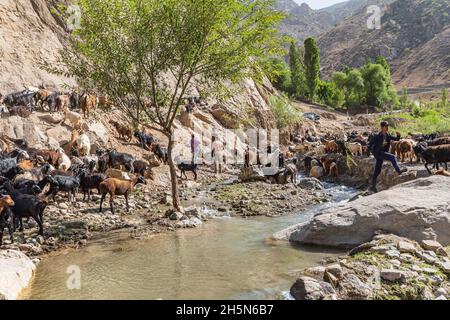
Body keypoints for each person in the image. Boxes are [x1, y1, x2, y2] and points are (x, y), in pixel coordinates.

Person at [369, 121, 408, 192]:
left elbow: (396, 139)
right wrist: (372, 151)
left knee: (378, 170)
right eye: (386, 126)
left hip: (382, 153)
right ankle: (399, 171)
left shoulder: (387, 135)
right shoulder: (377, 136)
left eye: (387, 126)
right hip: (379, 153)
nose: (387, 127)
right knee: (393, 157)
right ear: (382, 127)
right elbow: (370, 144)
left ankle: (372, 185)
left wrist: (398, 135)